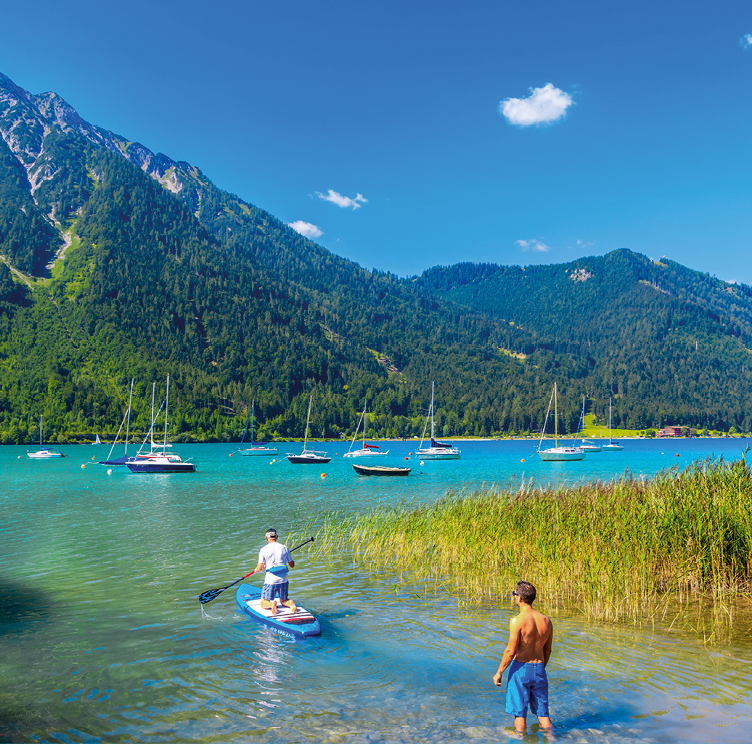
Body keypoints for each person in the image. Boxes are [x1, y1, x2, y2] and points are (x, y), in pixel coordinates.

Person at [492, 580, 553, 733]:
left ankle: (519, 738)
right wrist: (539, 669)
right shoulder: (546, 621)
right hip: (539, 668)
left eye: (514, 594)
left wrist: (499, 672)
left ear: (519, 598)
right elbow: (548, 651)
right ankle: (552, 739)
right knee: (543, 715)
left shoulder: (516, 621)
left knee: (520, 715)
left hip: (521, 668)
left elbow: (510, 651)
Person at [255, 528, 297, 616]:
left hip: (271, 581)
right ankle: (290, 603)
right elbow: (292, 565)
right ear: (277, 537)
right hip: (283, 579)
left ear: (266, 538)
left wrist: (257, 568)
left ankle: (271, 604)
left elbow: (259, 569)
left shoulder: (263, 549)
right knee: (284, 600)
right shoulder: (285, 548)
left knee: (263, 603)